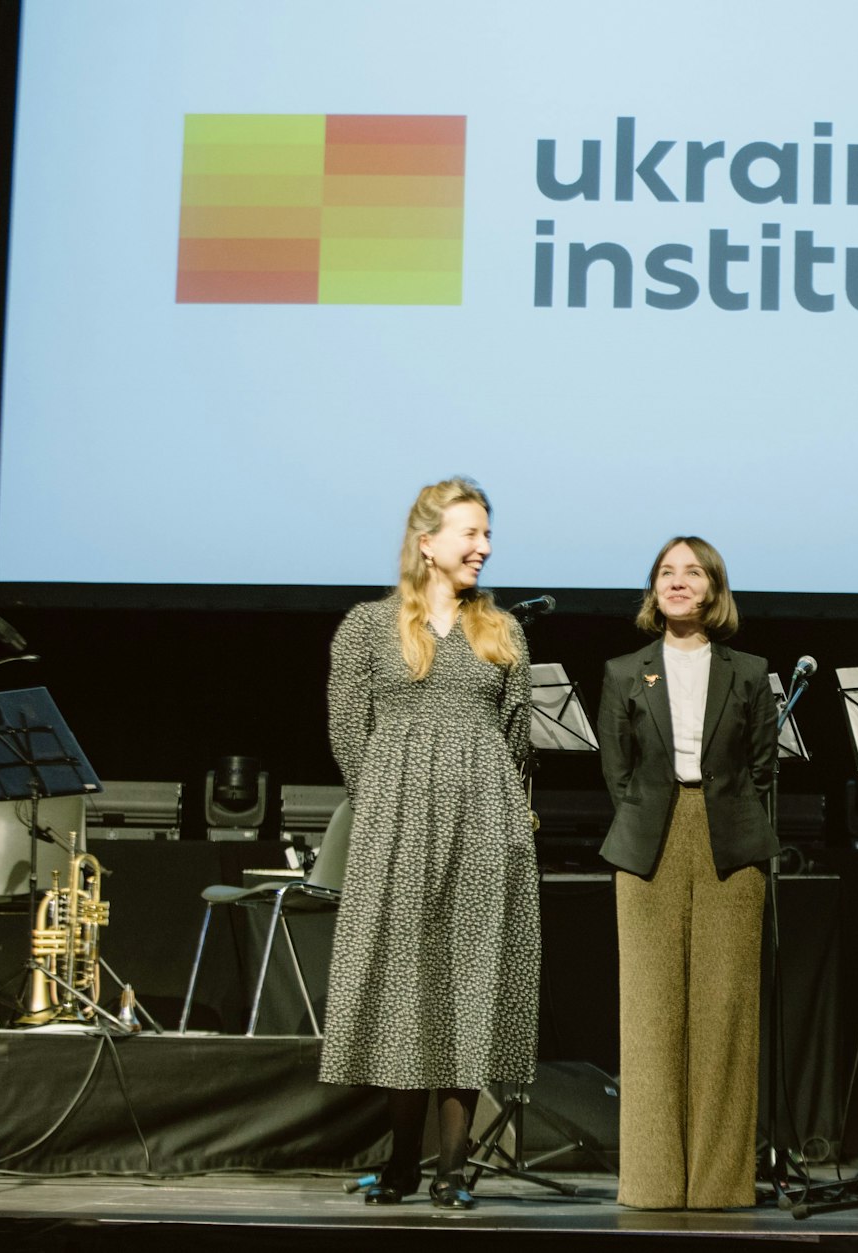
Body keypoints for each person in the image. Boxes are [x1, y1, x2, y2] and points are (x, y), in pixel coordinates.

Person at [319, 477, 538, 1210]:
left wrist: (483, 796)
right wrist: (389, 801)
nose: (484, 546)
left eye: (487, 532)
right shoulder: (366, 627)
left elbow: (513, 736)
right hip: (397, 824)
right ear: (428, 542)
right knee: (405, 982)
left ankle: (452, 1166)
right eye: (471, 532)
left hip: (485, 822)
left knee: (470, 983)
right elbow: (348, 732)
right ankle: (401, 1161)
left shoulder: (501, 631)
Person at [597, 537, 778, 1209]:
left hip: (731, 839)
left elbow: (761, 765)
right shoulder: (625, 672)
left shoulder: (750, 671)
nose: (677, 582)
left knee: (725, 1010)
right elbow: (617, 771)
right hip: (647, 839)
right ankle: (651, 1182)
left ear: (713, 589)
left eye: (691, 571)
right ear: (654, 590)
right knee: (651, 1014)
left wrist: (718, 810)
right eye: (665, 573)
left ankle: (719, 1183)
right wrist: (654, 817)